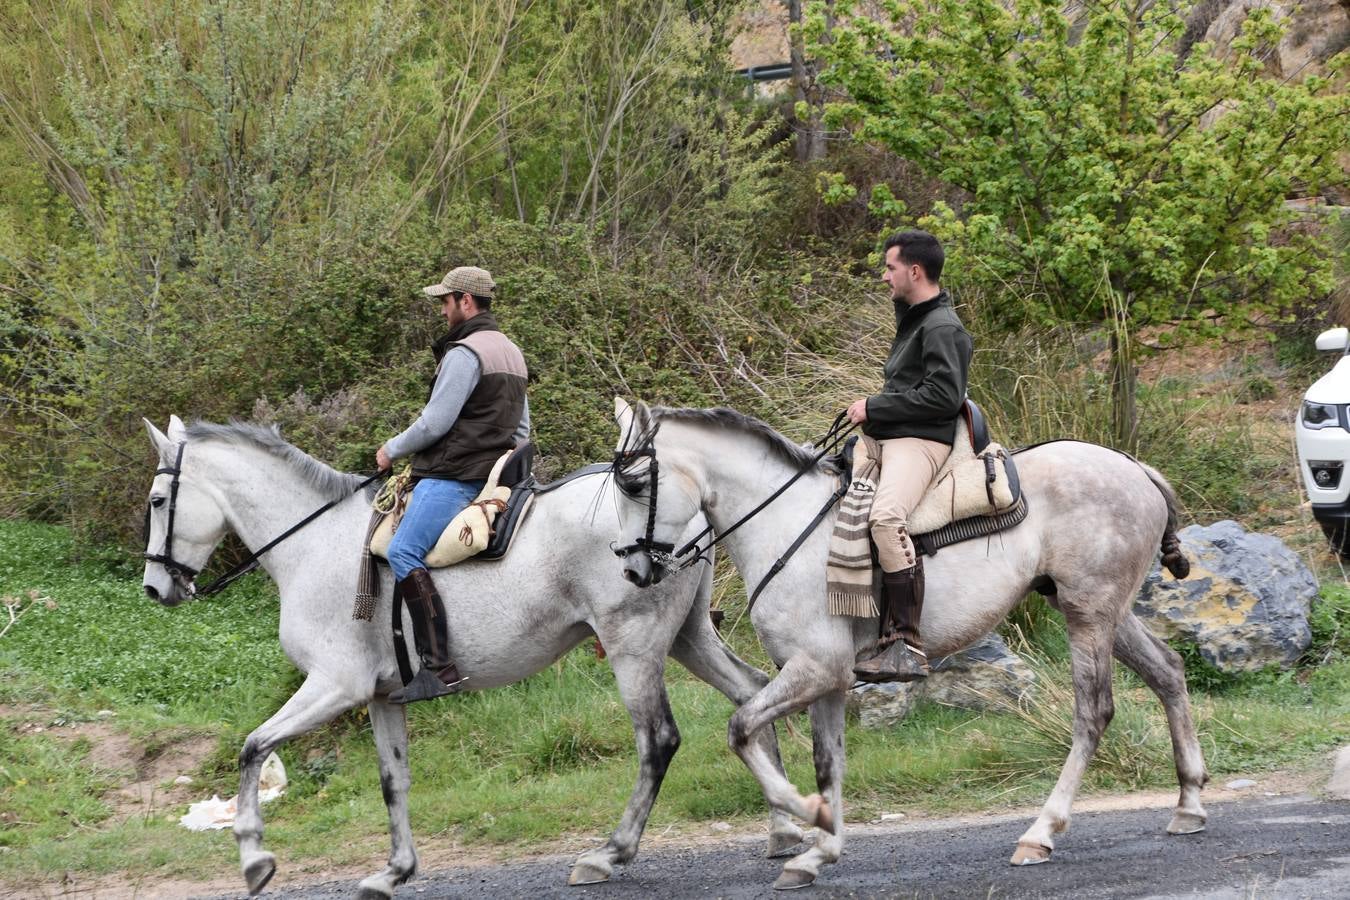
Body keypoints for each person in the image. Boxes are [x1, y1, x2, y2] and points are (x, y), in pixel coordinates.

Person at [377, 265, 530, 703]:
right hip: (491, 477)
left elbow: (435, 422)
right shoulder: (511, 352)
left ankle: (438, 668)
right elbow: (522, 430)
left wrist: (392, 448)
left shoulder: (465, 352)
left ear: (466, 301)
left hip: (455, 476)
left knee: (403, 550)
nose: (442, 311)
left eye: (445, 301)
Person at [848, 230, 972, 683]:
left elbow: (942, 396)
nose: (885, 277)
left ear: (914, 271)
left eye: (890, 268)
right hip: (894, 434)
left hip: (922, 441)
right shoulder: (917, 318)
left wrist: (874, 407)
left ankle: (904, 643)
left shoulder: (941, 327)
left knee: (885, 518)